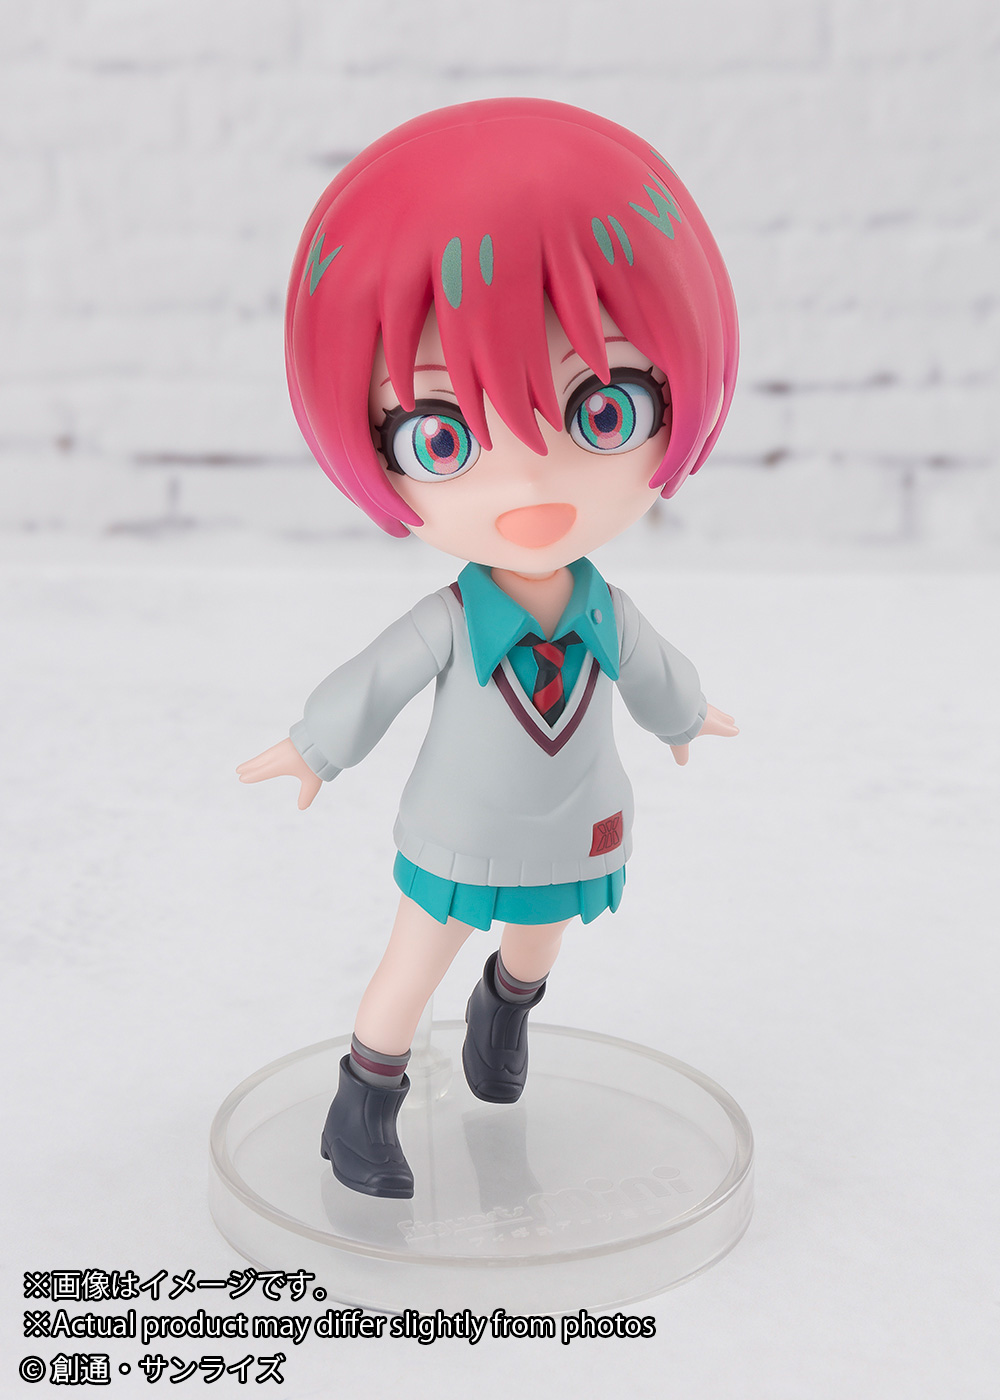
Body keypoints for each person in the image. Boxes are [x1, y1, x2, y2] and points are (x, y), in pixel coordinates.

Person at [237, 98, 740, 1199]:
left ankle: (505, 1015)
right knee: (416, 956)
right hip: (461, 832)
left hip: (577, 818)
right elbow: (374, 681)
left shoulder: (604, 609)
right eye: (442, 436)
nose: (528, 484)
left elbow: (653, 672)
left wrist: (685, 714)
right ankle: (362, 1106)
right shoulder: (452, 622)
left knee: (543, 933)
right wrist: (313, 747)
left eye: (603, 410)